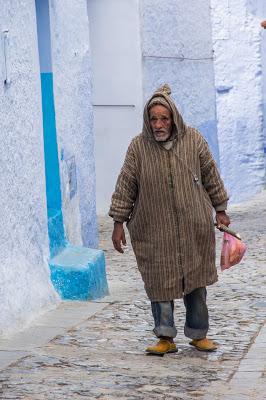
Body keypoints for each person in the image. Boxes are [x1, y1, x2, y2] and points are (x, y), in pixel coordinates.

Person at [109, 84, 230, 355]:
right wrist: (119, 222)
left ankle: (199, 334)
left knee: (195, 282)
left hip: (193, 227)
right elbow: (126, 184)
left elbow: (210, 173)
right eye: (153, 119)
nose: (158, 124)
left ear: (174, 118)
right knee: (159, 282)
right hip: (154, 228)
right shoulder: (138, 148)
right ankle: (165, 337)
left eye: (164, 118)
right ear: (147, 121)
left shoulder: (194, 140)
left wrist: (220, 208)